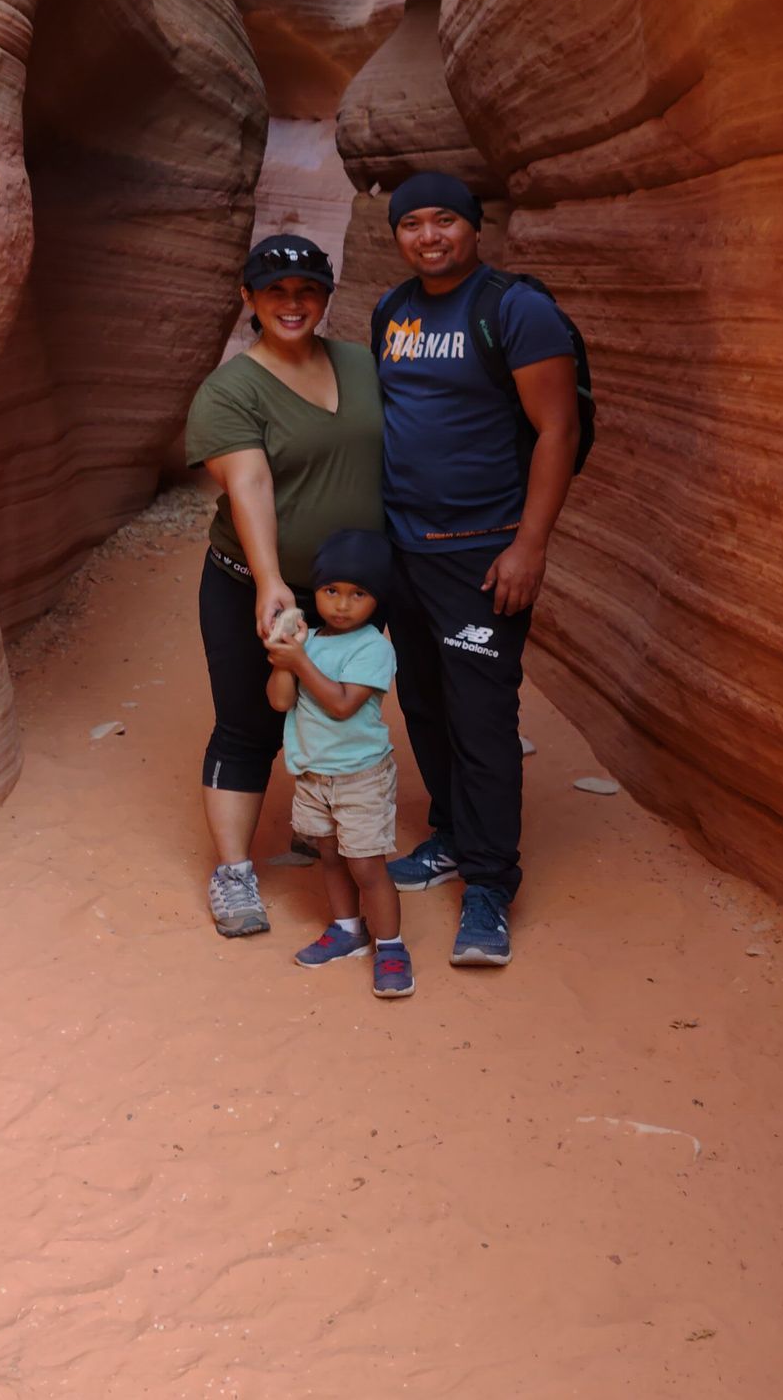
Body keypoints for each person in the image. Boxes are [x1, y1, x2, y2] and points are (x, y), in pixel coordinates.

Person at [372, 171, 581, 969]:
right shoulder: (393, 311)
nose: (429, 236)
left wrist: (529, 546)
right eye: (413, 223)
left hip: (482, 551)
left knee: (483, 716)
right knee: (423, 699)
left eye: (445, 221)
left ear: (475, 227)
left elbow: (555, 430)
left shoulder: (515, 309)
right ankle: (454, 837)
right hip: (405, 546)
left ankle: (490, 884)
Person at [182, 234, 383, 939]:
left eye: (306, 290)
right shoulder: (231, 389)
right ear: (249, 299)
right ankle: (234, 872)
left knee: (333, 718)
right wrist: (272, 581)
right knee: (248, 723)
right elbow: (250, 481)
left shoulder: (360, 364)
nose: (291, 304)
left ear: (325, 296)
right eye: (275, 291)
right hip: (252, 584)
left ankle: (315, 827)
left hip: (348, 599)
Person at [266, 527, 412, 999]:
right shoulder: (308, 642)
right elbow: (279, 702)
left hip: (360, 777)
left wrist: (302, 661)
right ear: (317, 590)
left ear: (377, 601)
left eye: (358, 594)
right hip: (312, 774)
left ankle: (391, 946)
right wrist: (282, 660)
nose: (342, 605)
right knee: (329, 856)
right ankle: (348, 930)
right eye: (332, 591)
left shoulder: (373, 647)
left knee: (366, 865)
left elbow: (342, 705)